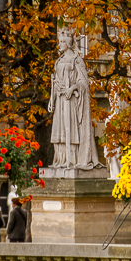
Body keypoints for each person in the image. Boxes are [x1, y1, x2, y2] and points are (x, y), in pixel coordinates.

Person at [48, 29, 102, 170]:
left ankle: (72, 160)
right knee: (59, 131)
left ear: (69, 42)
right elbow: (55, 81)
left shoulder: (77, 60)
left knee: (71, 130)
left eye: (62, 42)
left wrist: (72, 89)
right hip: (59, 100)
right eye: (59, 41)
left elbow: (84, 83)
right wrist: (52, 99)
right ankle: (60, 160)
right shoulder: (58, 61)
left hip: (71, 102)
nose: (59, 45)